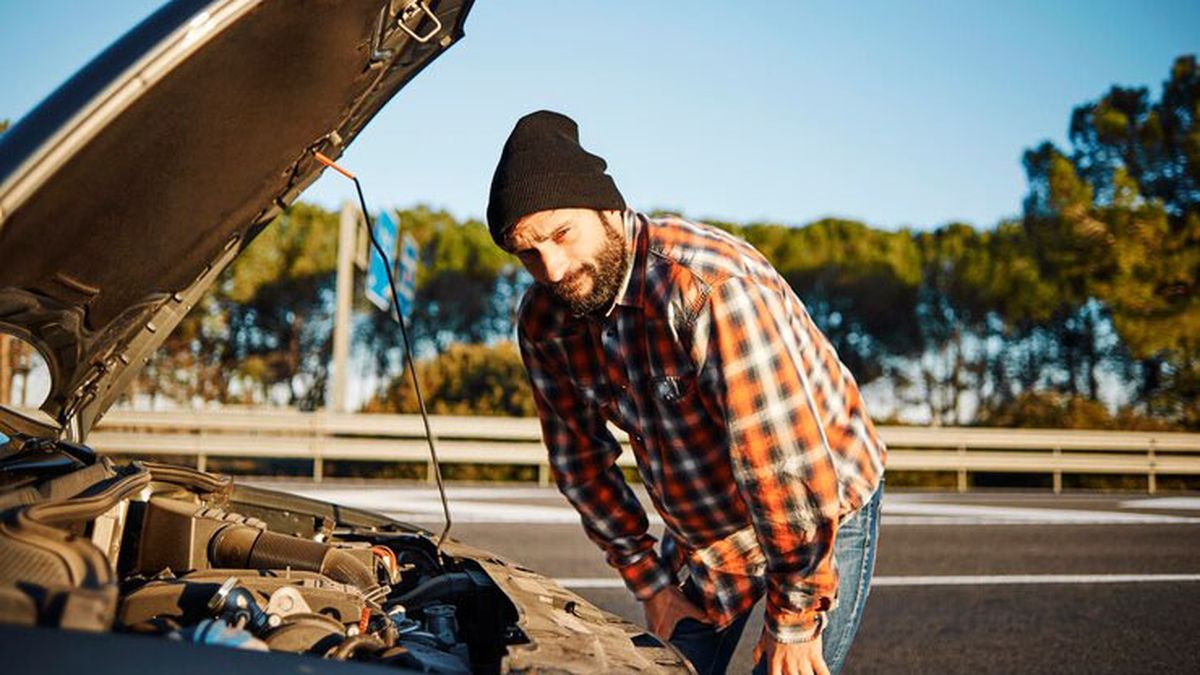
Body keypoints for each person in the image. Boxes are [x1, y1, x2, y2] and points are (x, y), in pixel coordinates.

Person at [487, 110, 887, 675]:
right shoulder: (545, 322)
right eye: (528, 252)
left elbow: (782, 469)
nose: (551, 268)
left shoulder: (708, 290)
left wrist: (795, 618)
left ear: (608, 210)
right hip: (705, 530)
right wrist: (650, 584)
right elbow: (580, 465)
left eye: (561, 234)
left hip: (815, 499)